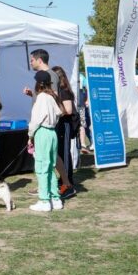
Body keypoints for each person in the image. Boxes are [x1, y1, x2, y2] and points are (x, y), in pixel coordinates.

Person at [28, 70, 64, 212]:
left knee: (42, 168)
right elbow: (59, 113)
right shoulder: (51, 97)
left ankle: (44, 201)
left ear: (39, 84)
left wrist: (30, 136)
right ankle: (55, 199)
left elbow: (35, 120)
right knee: (50, 167)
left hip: (42, 132)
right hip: (52, 133)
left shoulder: (41, 97)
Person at [52, 65, 78, 199]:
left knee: (64, 153)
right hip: (60, 124)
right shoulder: (57, 90)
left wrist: (56, 111)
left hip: (66, 124)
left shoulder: (64, 91)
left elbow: (68, 110)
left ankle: (68, 183)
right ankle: (63, 180)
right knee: (60, 152)